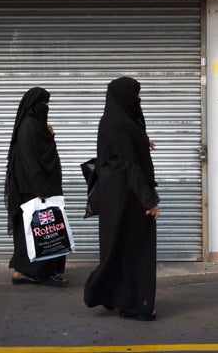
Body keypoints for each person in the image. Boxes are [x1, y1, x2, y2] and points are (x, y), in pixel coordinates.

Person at [83, 76, 161, 320]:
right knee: (135, 250)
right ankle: (135, 304)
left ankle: (112, 295)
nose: (138, 99)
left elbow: (122, 152)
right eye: (136, 94)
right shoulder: (118, 124)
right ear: (124, 96)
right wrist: (149, 200)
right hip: (126, 198)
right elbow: (128, 165)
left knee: (119, 247)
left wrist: (140, 142)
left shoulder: (117, 121)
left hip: (117, 195)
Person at [4, 87, 68, 286]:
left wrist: (50, 136)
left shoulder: (30, 125)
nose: (47, 108)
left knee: (28, 231)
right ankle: (41, 272)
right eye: (45, 104)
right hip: (34, 189)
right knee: (44, 230)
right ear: (35, 106)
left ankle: (22, 270)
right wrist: (43, 191)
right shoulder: (31, 127)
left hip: (27, 188)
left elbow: (42, 153)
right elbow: (34, 161)